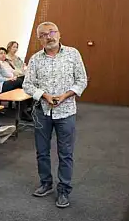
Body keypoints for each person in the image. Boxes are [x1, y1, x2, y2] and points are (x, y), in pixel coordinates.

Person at [23, 22, 87, 209]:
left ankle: (64, 190)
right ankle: (46, 184)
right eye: (44, 34)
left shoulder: (73, 54)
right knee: (42, 152)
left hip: (66, 112)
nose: (49, 37)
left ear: (59, 34)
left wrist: (66, 95)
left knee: (65, 153)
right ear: (39, 39)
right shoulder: (35, 59)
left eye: (52, 32)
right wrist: (45, 95)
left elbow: (82, 80)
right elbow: (27, 85)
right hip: (42, 112)